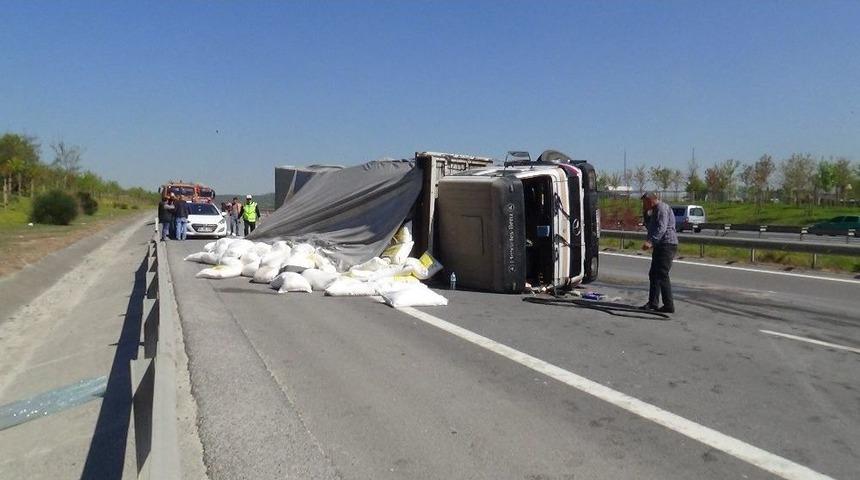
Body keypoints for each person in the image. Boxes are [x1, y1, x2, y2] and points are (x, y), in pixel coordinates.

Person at [640, 192, 678, 313]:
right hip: (660, 245)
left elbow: (662, 228)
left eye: (644, 203)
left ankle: (668, 305)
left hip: (667, 244)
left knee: (662, 274)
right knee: (654, 274)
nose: (644, 205)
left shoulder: (662, 208)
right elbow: (650, 227)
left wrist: (651, 242)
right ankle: (653, 303)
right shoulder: (654, 210)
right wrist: (645, 213)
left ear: (650, 200)